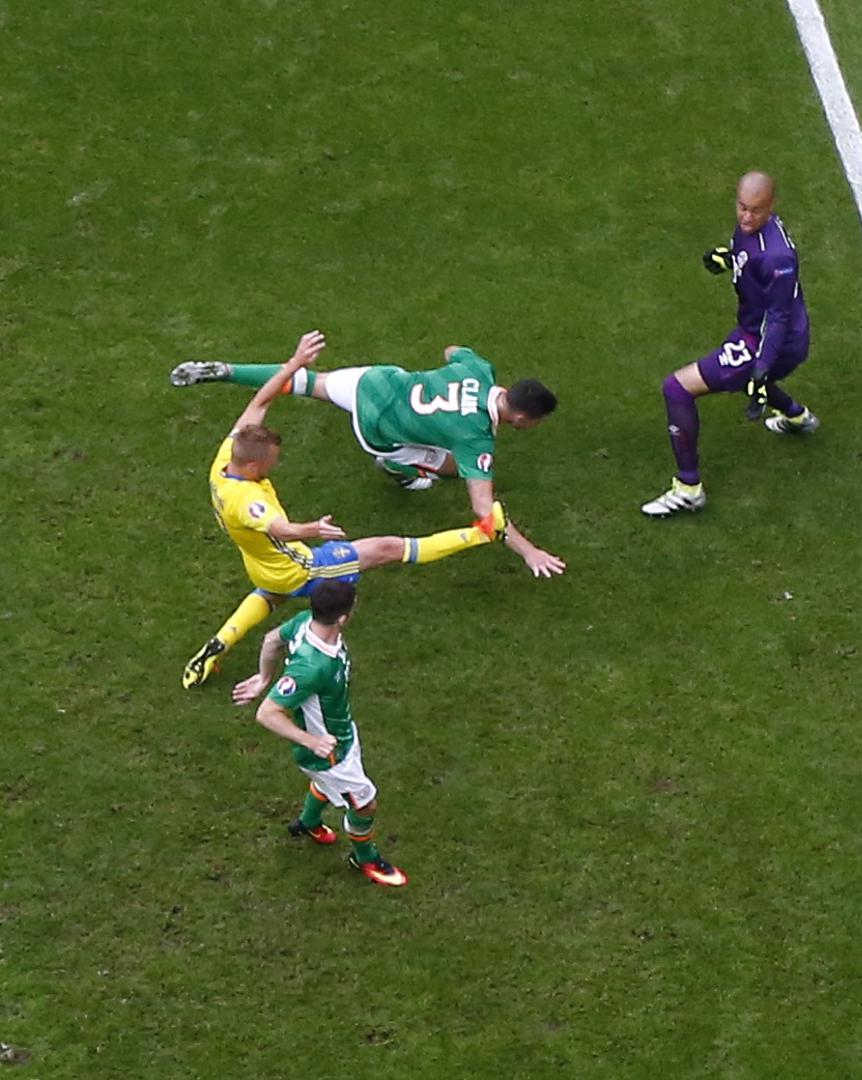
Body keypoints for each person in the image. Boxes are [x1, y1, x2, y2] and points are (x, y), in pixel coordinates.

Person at [181, 331, 509, 690]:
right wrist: (314, 529)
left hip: (262, 563)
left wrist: (295, 363)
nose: (277, 462)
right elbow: (281, 529)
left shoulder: (226, 458)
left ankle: (217, 645)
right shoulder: (248, 502)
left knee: (270, 593)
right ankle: (482, 533)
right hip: (300, 566)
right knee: (388, 548)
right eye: (273, 460)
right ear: (254, 466)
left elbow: (261, 401)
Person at [170, 338, 566, 578]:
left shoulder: (478, 369)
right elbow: (483, 509)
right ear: (520, 418)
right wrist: (529, 551)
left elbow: (452, 350)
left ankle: (227, 370)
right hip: (380, 431)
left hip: (376, 382)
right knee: (448, 469)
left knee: (307, 382)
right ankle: (398, 467)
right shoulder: (475, 439)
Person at [640, 171, 817, 517]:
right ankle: (797, 416)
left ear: (771, 206)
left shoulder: (777, 258)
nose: (746, 217)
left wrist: (762, 366)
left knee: (676, 388)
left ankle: (688, 489)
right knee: (741, 377)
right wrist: (729, 259)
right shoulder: (755, 232)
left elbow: (777, 319)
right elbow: (750, 260)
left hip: (770, 341)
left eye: (755, 210)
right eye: (742, 207)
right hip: (755, 332)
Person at [234, 579, 407, 888]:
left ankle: (308, 822)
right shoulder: (312, 666)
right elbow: (267, 713)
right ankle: (365, 858)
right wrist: (312, 742)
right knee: (365, 803)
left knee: (327, 786)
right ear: (342, 617)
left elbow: (272, 639)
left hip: (341, 733)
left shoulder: (305, 622)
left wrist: (264, 677)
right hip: (328, 754)